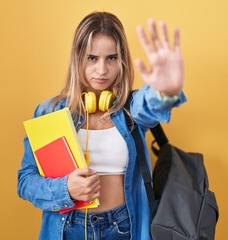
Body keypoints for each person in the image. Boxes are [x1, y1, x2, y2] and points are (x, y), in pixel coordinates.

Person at [17, 11, 186, 240]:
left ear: (122, 61)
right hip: (68, 229)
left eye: (111, 58)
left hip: (123, 226)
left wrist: (166, 91)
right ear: (78, 59)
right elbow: (26, 181)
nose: (102, 70)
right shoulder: (49, 113)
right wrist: (66, 189)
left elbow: (149, 104)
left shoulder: (130, 111)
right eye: (92, 58)